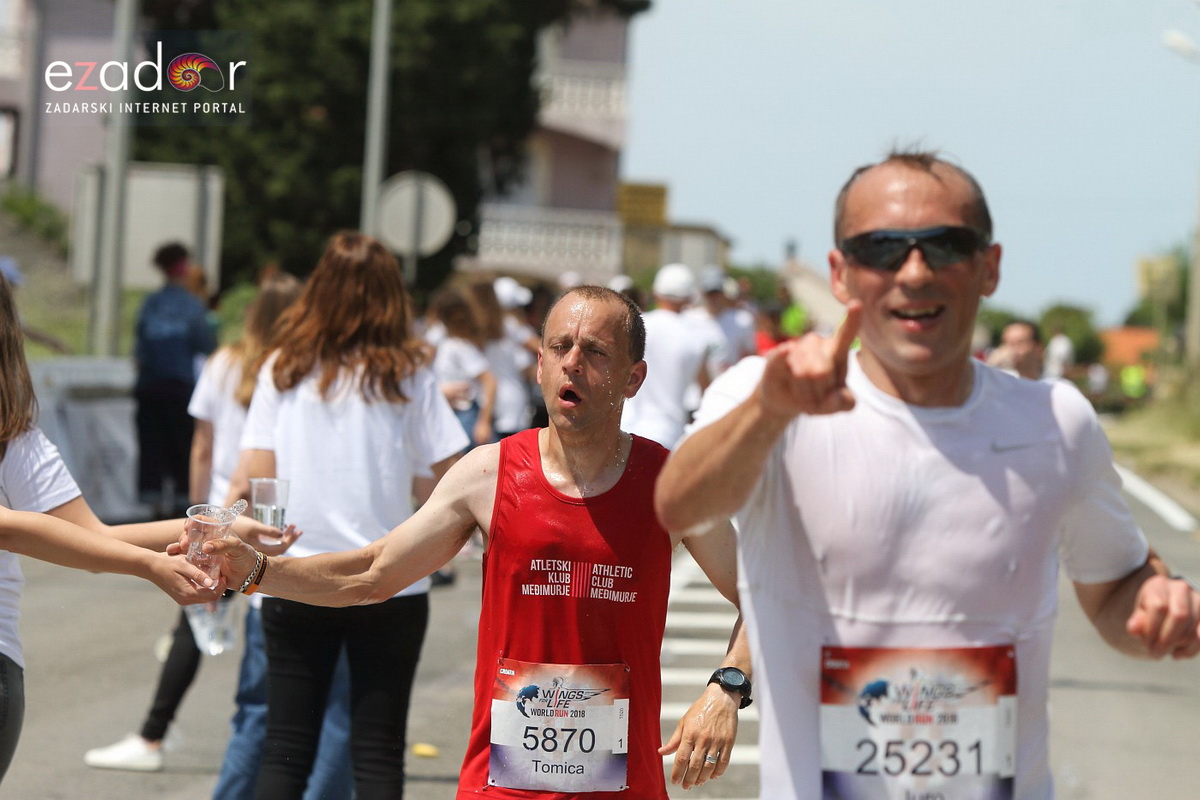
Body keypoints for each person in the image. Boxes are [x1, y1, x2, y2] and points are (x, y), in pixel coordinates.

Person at [654, 149, 1200, 799]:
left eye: (946, 246)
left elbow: (1116, 593)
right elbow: (679, 506)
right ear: (841, 275)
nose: (914, 271)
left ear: (989, 267)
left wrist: (1155, 608)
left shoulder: (1056, 420)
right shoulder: (769, 396)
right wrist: (769, 414)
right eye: (883, 248)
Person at [203, 285, 752, 798]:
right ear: (538, 365)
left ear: (634, 378)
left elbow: (761, 597)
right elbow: (373, 573)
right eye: (559, 347)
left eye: (595, 351)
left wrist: (726, 690)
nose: (573, 362)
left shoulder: (672, 486)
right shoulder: (488, 475)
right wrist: (257, 572)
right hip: (501, 788)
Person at [0, 270, 278, 784]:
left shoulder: (14, 432)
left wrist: (220, 526)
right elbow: (11, 528)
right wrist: (148, 564)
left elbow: (92, 537)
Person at [83, 275, 354, 797]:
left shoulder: (228, 363)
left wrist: (199, 517)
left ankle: (154, 736)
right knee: (302, 687)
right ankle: (155, 736)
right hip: (271, 522)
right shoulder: (300, 369)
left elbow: (204, 447)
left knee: (232, 664)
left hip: (224, 516)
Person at [233, 231, 468, 799]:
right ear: (391, 296)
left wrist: (269, 546)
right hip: (388, 578)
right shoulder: (409, 374)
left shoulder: (281, 369)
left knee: (286, 747)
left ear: (318, 289)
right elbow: (454, 478)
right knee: (378, 749)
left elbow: (258, 479)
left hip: (294, 575)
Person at [134, 242, 218, 516]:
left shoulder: (150, 303)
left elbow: (140, 351)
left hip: (149, 389)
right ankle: (183, 510)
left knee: (152, 452)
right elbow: (207, 346)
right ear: (184, 267)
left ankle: (154, 508)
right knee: (182, 450)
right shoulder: (193, 307)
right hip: (181, 390)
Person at [620, 263, 711, 450]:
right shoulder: (697, 336)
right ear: (688, 297)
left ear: (655, 291)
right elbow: (706, 389)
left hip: (624, 428)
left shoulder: (637, 325)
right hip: (669, 434)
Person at [430, 286, 498, 450]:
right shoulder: (443, 341)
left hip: (465, 415)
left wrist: (483, 422)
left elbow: (490, 381)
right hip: (451, 415)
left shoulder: (460, 346)